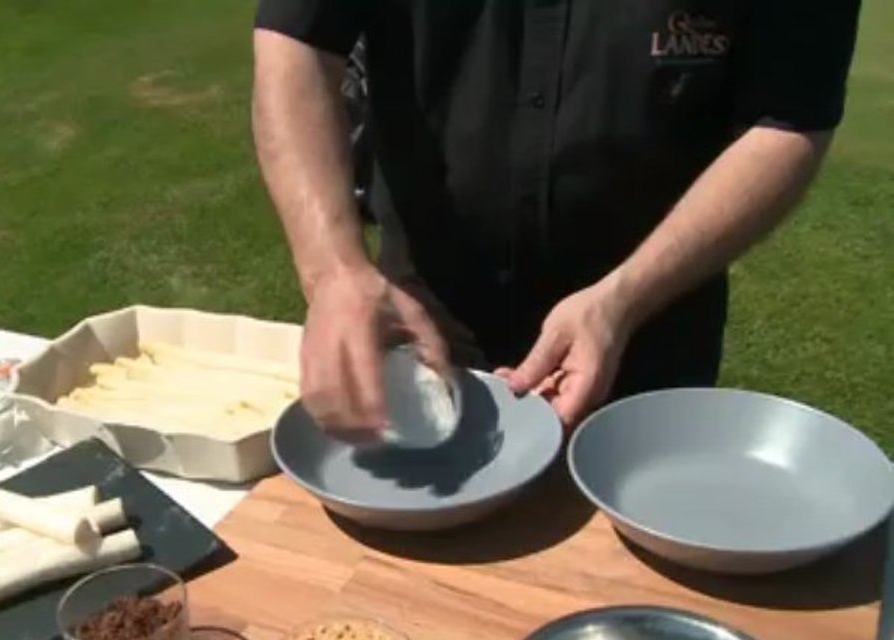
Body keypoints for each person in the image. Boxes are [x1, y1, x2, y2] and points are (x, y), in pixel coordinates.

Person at [251, 2, 860, 441]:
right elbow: (297, 39)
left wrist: (622, 299)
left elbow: (788, 121)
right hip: (422, 324)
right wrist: (334, 272)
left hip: (649, 331)